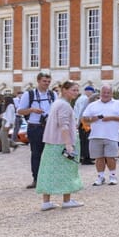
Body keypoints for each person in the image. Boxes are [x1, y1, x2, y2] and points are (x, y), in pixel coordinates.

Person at [36, 80, 84, 210]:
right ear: (64, 90)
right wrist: (68, 144)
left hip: (52, 143)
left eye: (77, 90)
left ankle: (46, 202)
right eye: (73, 90)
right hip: (61, 143)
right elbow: (64, 126)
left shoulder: (57, 103)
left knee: (48, 171)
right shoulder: (64, 105)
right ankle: (67, 200)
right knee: (67, 171)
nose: (76, 92)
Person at [16, 71, 56, 188]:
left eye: (48, 81)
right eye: (44, 81)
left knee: (51, 153)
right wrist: (32, 110)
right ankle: (37, 179)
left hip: (50, 127)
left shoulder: (53, 94)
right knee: (36, 154)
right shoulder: (29, 95)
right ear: (38, 81)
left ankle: (50, 178)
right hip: (35, 127)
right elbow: (19, 111)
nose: (46, 84)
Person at [81, 85, 119, 186]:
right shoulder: (93, 105)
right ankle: (100, 177)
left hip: (111, 136)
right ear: (100, 93)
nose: (106, 94)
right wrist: (94, 119)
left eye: (108, 92)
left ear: (111, 93)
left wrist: (110, 118)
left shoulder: (118, 104)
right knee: (99, 158)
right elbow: (84, 119)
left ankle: (113, 176)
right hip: (95, 135)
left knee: (110, 157)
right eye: (104, 92)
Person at [74, 85, 97, 164]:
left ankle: (83, 156)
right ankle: (86, 158)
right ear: (88, 91)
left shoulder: (80, 98)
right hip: (84, 122)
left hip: (81, 121)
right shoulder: (85, 99)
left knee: (83, 140)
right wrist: (78, 122)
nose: (92, 94)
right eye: (92, 92)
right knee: (86, 141)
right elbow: (81, 111)